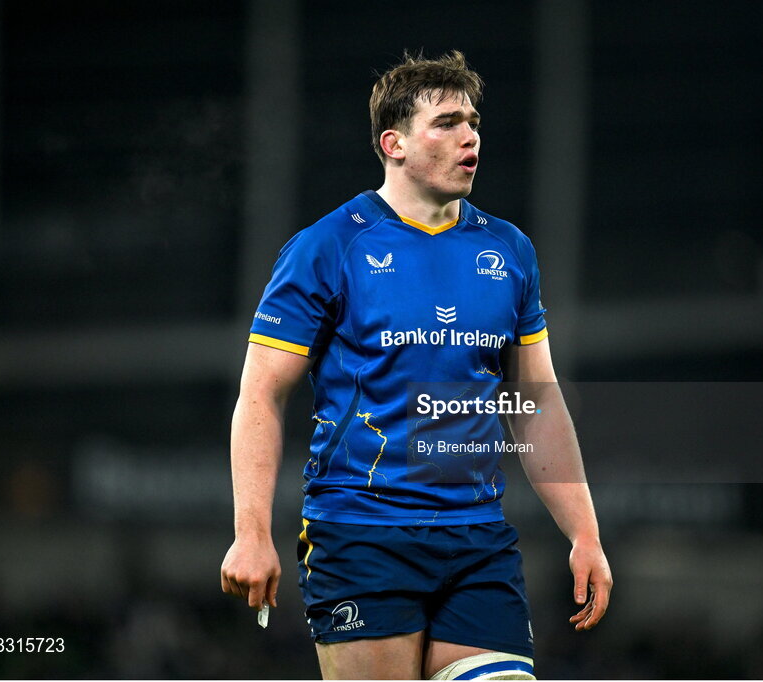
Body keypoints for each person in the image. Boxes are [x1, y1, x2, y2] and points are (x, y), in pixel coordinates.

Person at [220, 50, 612, 680]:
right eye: (447, 123)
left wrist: (584, 534)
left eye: (473, 123)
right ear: (393, 143)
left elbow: (536, 403)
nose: (470, 137)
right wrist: (251, 532)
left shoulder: (509, 250)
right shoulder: (327, 247)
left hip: (478, 540)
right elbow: (261, 395)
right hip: (361, 535)